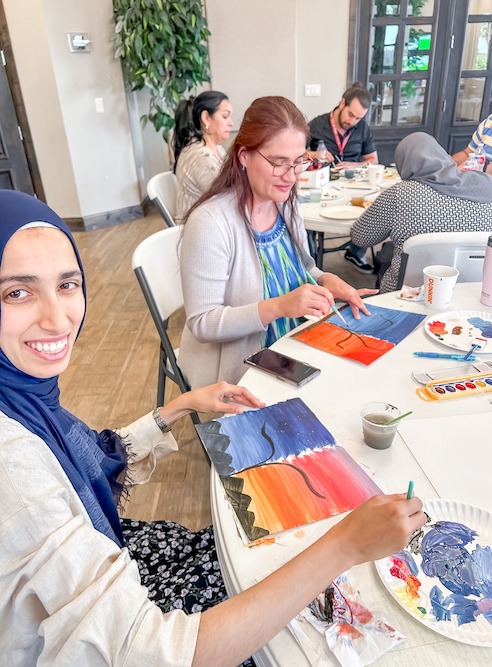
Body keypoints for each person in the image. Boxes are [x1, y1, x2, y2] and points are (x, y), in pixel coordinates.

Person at [0, 189, 427, 667]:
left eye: (67, 284)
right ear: (245, 155)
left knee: (258, 557)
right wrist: (345, 545)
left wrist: (180, 404)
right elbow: (147, 652)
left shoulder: (24, 398)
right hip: (114, 636)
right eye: (17, 292)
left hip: (115, 559)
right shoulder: (12, 465)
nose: (58, 319)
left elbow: (94, 457)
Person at [178, 96, 378, 390]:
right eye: (278, 163)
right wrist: (280, 306)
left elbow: (303, 267)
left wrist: (325, 280)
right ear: (244, 156)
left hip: (296, 342)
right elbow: (203, 323)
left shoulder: (285, 201)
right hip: (241, 366)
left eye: (299, 162)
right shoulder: (211, 221)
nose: (291, 176)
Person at [350, 132, 492, 293]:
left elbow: (360, 238)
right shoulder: (490, 185)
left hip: (406, 294)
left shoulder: (400, 194)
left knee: (386, 255)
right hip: (475, 290)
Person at [309, 82, 378, 274]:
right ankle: (311, 261)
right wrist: (315, 155)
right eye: (351, 115)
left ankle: (355, 252)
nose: (353, 121)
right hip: (324, 185)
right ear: (342, 104)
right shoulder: (317, 125)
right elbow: (299, 154)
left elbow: (373, 160)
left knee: (376, 211)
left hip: (355, 187)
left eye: (358, 118)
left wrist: (353, 165)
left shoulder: (363, 129)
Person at [173, 91, 233, 222]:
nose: (231, 123)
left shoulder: (217, 148)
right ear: (206, 117)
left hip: (208, 220)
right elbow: (226, 198)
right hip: (194, 230)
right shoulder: (199, 155)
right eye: (225, 116)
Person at [451, 89, 492, 179]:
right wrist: (447, 163)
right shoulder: (490, 122)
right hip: (473, 183)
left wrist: (479, 166)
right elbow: (468, 154)